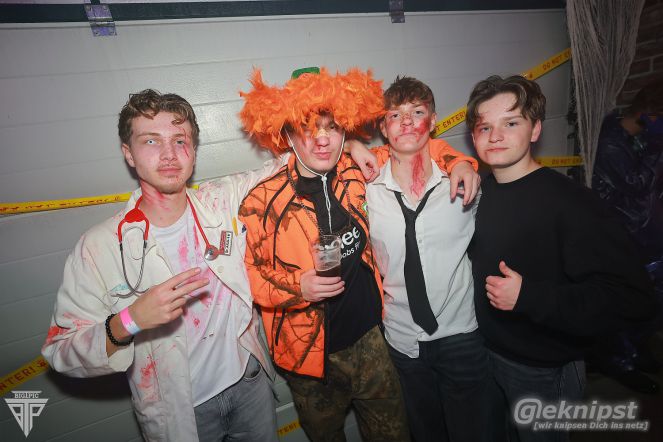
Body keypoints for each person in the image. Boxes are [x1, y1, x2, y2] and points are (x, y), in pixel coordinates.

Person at [238, 67, 478, 441]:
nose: (322, 139)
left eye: (332, 128)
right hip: (311, 360)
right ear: (287, 134)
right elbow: (245, 277)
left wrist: (461, 161)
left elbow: (414, 144)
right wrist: (297, 287)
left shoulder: (356, 171)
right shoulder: (262, 201)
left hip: (373, 342)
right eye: (307, 128)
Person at [42, 89, 288, 441]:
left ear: (194, 150)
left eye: (180, 140)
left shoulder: (220, 201)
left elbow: (292, 162)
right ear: (128, 153)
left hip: (249, 385)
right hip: (182, 411)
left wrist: (353, 144)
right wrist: (130, 320)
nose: (170, 154)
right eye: (151, 141)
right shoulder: (98, 247)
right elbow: (61, 351)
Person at [466, 75, 656, 442]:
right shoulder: (482, 191)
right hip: (486, 354)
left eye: (511, 123)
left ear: (535, 129)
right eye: (484, 127)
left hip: (542, 369)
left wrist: (530, 296)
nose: (495, 136)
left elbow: (633, 297)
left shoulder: (572, 203)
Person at [348, 76, 492, 442]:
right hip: (401, 338)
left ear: (434, 119)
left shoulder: (464, 182)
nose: (407, 122)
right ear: (383, 128)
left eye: (417, 112)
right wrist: (350, 143)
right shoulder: (365, 186)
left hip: (461, 332)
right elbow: (309, 148)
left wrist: (462, 163)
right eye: (395, 115)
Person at [590, 79, 663, 394]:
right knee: (625, 300)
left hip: (646, 233)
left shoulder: (640, 139)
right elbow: (636, 184)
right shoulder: (611, 142)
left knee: (651, 298)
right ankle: (618, 361)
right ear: (649, 113)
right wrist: (658, 148)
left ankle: (635, 348)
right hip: (622, 237)